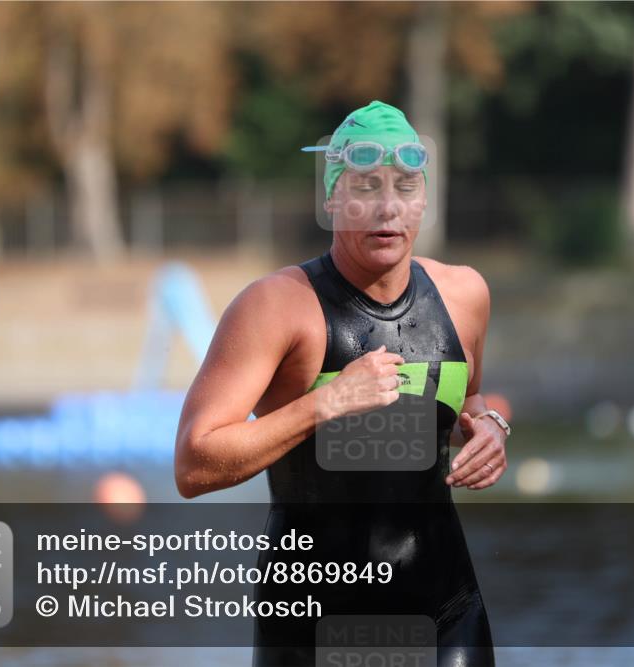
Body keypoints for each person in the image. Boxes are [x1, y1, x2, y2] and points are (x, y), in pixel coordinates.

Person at [175, 100, 509, 666]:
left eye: (405, 187)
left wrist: (491, 429)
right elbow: (193, 464)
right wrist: (326, 404)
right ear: (331, 199)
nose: (387, 207)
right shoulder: (276, 306)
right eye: (365, 187)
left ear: (423, 200)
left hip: (447, 609)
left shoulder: (464, 295)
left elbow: (465, 403)